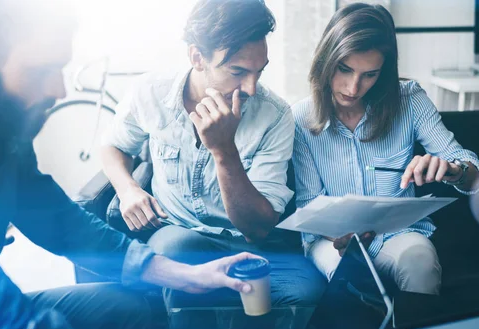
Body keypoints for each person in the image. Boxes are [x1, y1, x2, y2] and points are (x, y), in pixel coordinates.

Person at [0, 0, 274, 329]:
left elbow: (58, 220)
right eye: (42, 70)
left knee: (132, 312)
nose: (58, 88)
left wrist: (185, 275)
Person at [101, 0, 325, 308]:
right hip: (177, 235)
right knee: (180, 250)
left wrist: (224, 151)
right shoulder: (150, 92)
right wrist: (128, 190)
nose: (251, 87)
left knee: (305, 290)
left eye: (259, 71)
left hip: (247, 245)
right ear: (197, 57)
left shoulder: (274, 115)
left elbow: (257, 229)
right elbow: (113, 145)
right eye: (237, 71)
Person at [292, 3, 479, 295]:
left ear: (383, 72)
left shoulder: (409, 100)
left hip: (398, 235)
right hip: (332, 241)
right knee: (342, 271)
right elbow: (309, 204)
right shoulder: (301, 118)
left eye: (369, 74)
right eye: (344, 69)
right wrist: (337, 234)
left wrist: (453, 171)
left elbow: (476, 178)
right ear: (326, 60)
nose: (353, 87)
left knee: (420, 262)